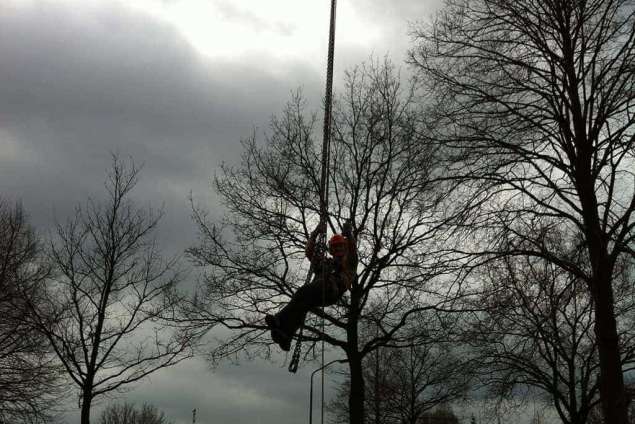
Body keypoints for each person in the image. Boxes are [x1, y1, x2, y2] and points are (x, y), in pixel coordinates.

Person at [265, 219, 358, 351]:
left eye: (340, 246)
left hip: (332, 289)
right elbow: (310, 252)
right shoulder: (325, 262)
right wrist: (315, 233)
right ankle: (286, 335)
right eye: (335, 247)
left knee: (302, 292)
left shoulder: (349, 263)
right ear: (331, 249)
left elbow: (353, 250)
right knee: (301, 306)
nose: (338, 249)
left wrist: (349, 233)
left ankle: (279, 318)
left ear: (345, 247)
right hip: (318, 291)